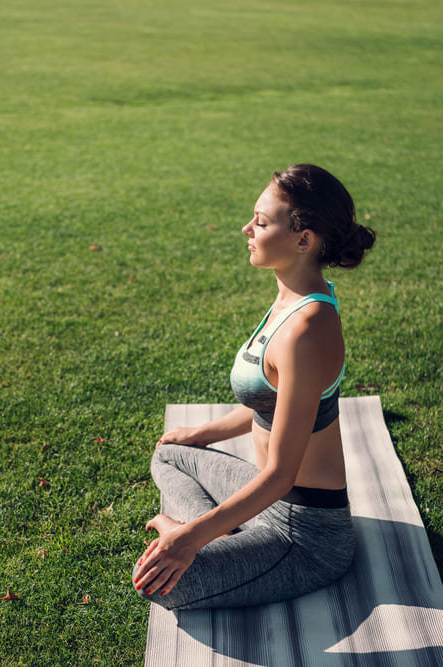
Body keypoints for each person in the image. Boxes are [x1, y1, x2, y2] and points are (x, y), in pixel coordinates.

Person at [132, 164, 376, 610]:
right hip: (264, 504)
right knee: (169, 453)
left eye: (261, 222)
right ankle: (221, 533)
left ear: (304, 240)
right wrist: (202, 435)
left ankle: (210, 535)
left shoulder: (309, 328)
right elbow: (278, 401)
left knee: (155, 582)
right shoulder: (290, 298)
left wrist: (187, 538)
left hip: (303, 534)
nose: (246, 228)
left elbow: (282, 477)